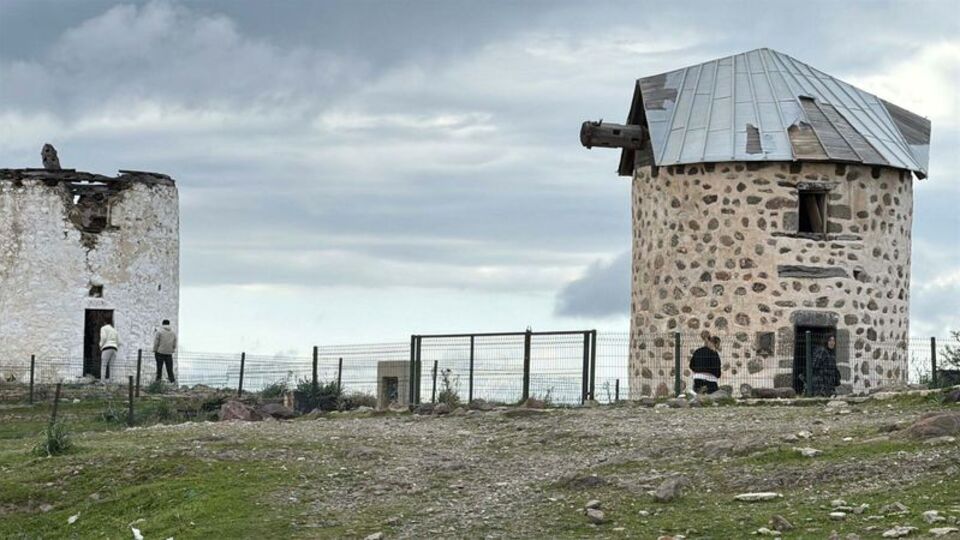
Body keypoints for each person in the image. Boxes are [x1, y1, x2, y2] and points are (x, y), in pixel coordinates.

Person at [153, 319, 177, 383]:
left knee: (159, 368)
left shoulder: (159, 332)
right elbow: (174, 343)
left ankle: (158, 381)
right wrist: (172, 349)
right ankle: (172, 381)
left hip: (160, 352)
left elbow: (156, 342)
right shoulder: (173, 333)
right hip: (169, 353)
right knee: (169, 369)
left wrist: (155, 350)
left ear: (162, 324)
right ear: (169, 324)